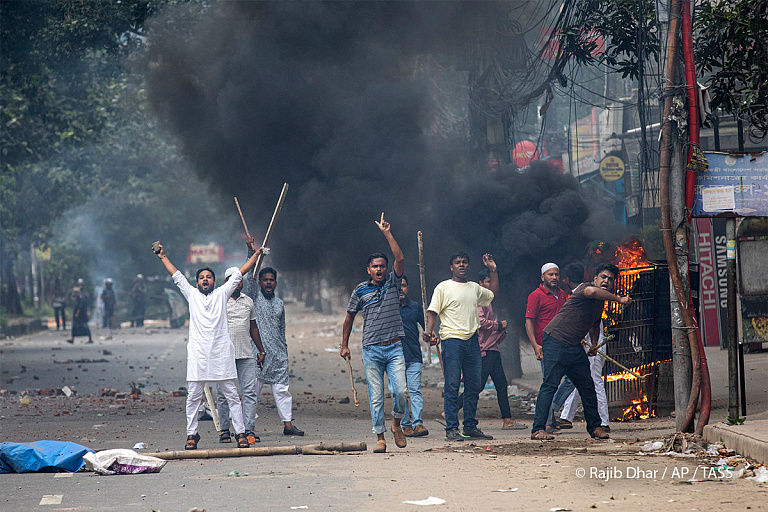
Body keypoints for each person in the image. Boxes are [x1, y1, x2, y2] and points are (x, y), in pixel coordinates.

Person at [154, 241, 265, 450]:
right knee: (193, 397)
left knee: (232, 394)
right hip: (199, 355)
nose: (205, 280)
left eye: (209, 277)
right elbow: (176, 276)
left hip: (221, 353)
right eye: (202, 278)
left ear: (215, 282)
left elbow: (241, 271)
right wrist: (163, 257)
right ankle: (191, 434)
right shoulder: (192, 295)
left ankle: (240, 432)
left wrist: (256, 255)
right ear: (197, 283)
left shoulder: (222, 294)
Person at [530, 263, 631, 441]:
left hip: (573, 346)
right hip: (555, 340)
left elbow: (594, 324)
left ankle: (595, 427)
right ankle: (538, 429)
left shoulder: (600, 303)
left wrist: (593, 346)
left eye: (610, 279)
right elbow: (593, 292)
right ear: (595, 279)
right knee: (550, 385)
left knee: (587, 386)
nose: (606, 281)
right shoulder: (586, 289)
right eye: (603, 277)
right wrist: (619, 299)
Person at [340, 213, 408, 454]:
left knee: (400, 391)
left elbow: (399, 257)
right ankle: (380, 437)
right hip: (371, 349)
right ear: (368, 269)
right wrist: (344, 345)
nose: (379, 269)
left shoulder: (393, 282)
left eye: (382, 266)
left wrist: (387, 233)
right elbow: (349, 317)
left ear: (387, 268)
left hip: (394, 347)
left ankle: (397, 424)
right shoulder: (360, 291)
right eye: (375, 266)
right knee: (376, 396)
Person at [423, 251, 497, 442]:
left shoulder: (474, 288)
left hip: (473, 341)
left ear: (469, 266)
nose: (461, 265)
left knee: (474, 386)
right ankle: (451, 429)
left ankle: (470, 426)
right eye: (457, 262)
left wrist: (493, 271)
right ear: (451, 267)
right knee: (452, 386)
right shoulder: (443, 287)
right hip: (452, 341)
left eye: (465, 262)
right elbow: (433, 311)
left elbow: (492, 294)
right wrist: (430, 331)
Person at [244, 255, 305, 437]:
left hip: (279, 356)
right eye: (265, 280)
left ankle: (288, 425)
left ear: (275, 284)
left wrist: (284, 352)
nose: (268, 283)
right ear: (260, 283)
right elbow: (250, 276)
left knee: (282, 391)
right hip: (258, 355)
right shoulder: (254, 298)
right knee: (252, 392)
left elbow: (282, 329)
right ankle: (249, 428)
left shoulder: (279, 304)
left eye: (271, 280)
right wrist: (252, 253)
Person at [215, 266, 266, 446]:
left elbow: (253, 328)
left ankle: (248, 429)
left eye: (239, 280)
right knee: (223, 394)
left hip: (246, 353)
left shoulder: (248, 302)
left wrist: (261, 350)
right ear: (226, 282)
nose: (237, 283)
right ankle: (225, 430)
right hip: (224, 355)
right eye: (232, 279)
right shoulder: (219, 300)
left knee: (249, 392)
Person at [476, 268, 526, 430]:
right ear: (481, 283)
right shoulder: (480, 301)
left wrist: (494, 271)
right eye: (488, 281)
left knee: (501, 384)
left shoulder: (488, 301)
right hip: (486, 349)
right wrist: (498, 325)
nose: (491, 285)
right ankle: (450, 412)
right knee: (478, 386)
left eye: (491, 281)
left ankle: (507, 419)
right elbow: (480, 321)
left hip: (492, 348)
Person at [558, 320, 611, 432]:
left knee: (595, 382)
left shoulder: (588, 307)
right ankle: (566, 417)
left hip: (593, 348)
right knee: (578, 380)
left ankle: (603, 421)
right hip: (585, 347)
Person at [397, 275, 427, 437]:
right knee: (400, 392)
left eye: (403, 285)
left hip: (414, 356)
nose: (400, 289)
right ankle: (405, 424)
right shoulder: (389, 308)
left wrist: (430, 335)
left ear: (407, 288)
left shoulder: (415, 307)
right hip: (394, 359)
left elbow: (426, 327)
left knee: (415, 390)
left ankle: (418, 423)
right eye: (397, 286)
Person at [525, 263, 567, 363]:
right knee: (550, 377)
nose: (554, 277)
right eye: (550, 274)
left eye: (556, 275)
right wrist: (535, 345)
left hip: (564, 343)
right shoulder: (535, 295)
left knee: (571, 376)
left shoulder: (562, 293)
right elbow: (529, 322)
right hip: (546, 346)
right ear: (542, 277)